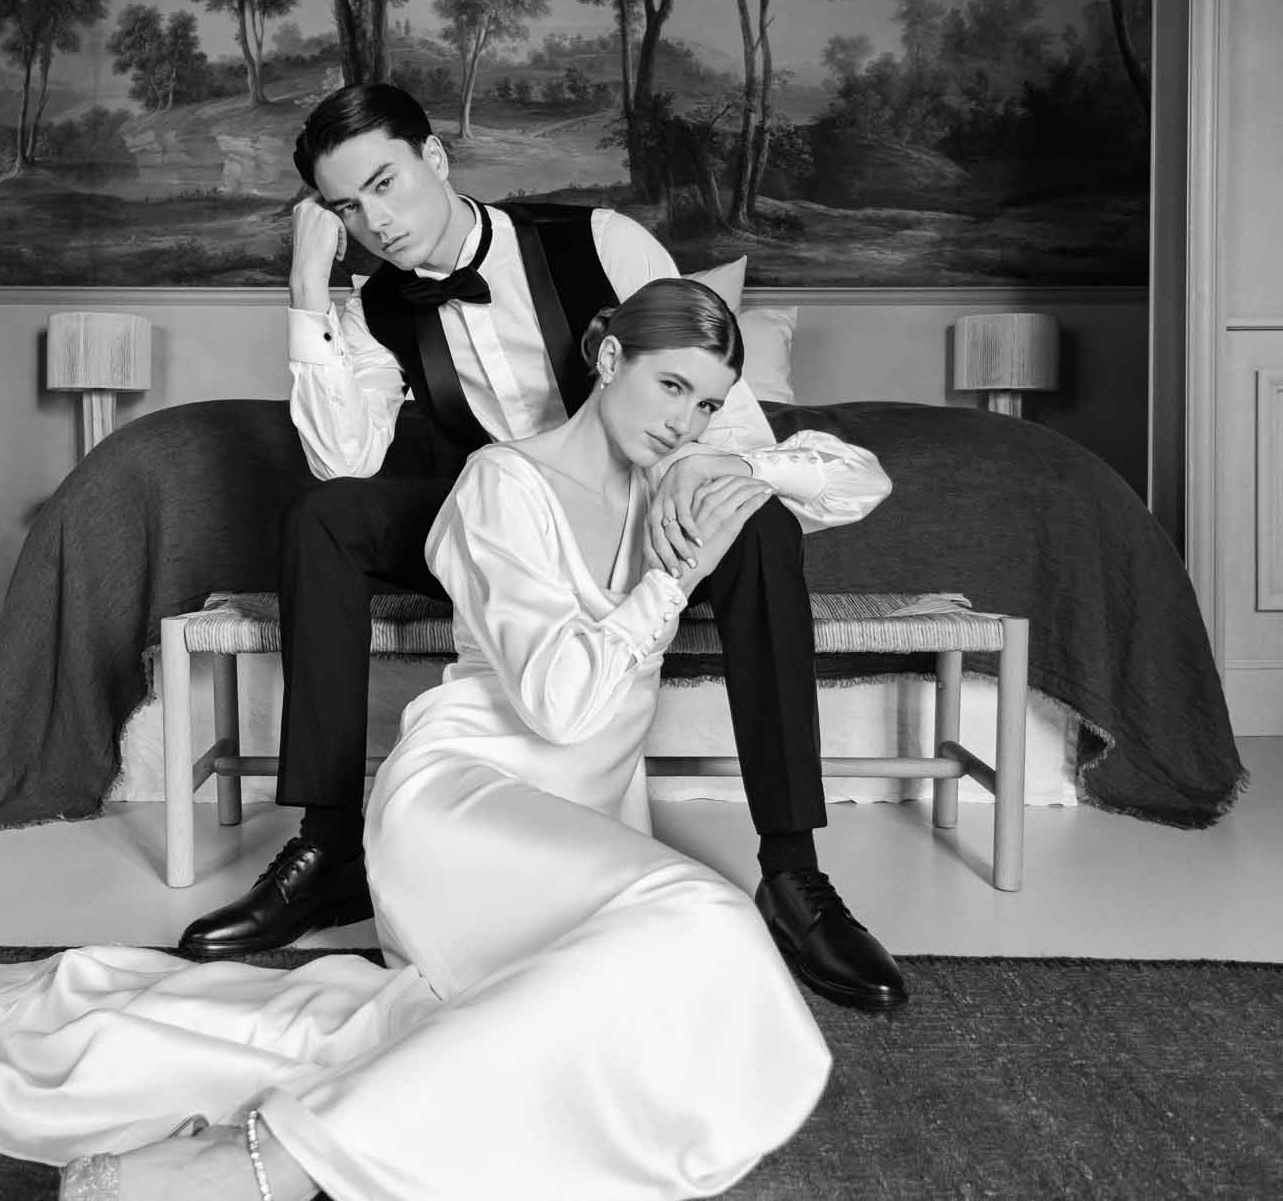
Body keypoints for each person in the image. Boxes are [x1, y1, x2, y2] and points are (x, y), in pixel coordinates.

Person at [0, 282, 854, 1200]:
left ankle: (314, 1133)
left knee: (667, 978)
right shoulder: (501, 485)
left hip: (573, 831)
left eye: (706, 403)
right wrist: (671, 577)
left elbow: (858, 479)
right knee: (711, 922)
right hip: (460, 804)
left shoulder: (673, 480)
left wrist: (740, 471)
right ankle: (266, 1159)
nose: (686, 421)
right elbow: (562, 707)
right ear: (610, 359)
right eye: (671, 388)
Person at [176, 82, 907, 1012]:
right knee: (322, 517)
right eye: (350, 208)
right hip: (495, 513)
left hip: (632, 506)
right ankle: (329, 848)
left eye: (388, 184)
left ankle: (794, 874)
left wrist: (701, 470)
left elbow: (723, 416)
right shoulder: (372, 301)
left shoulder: (601, 241)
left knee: (759, 525)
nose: (379, 223)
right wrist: (306, 290)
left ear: (436, 158)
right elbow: (341, 457)